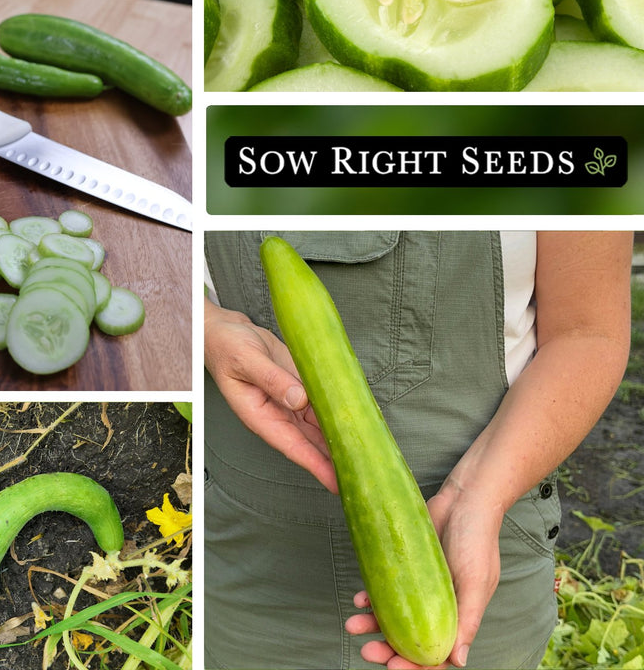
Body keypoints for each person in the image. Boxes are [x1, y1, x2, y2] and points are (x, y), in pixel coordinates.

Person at [204, 231, 632, 670]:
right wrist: (206, 325)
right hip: (249, 560)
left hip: (482, 552)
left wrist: (478, 497)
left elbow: (588, 333)